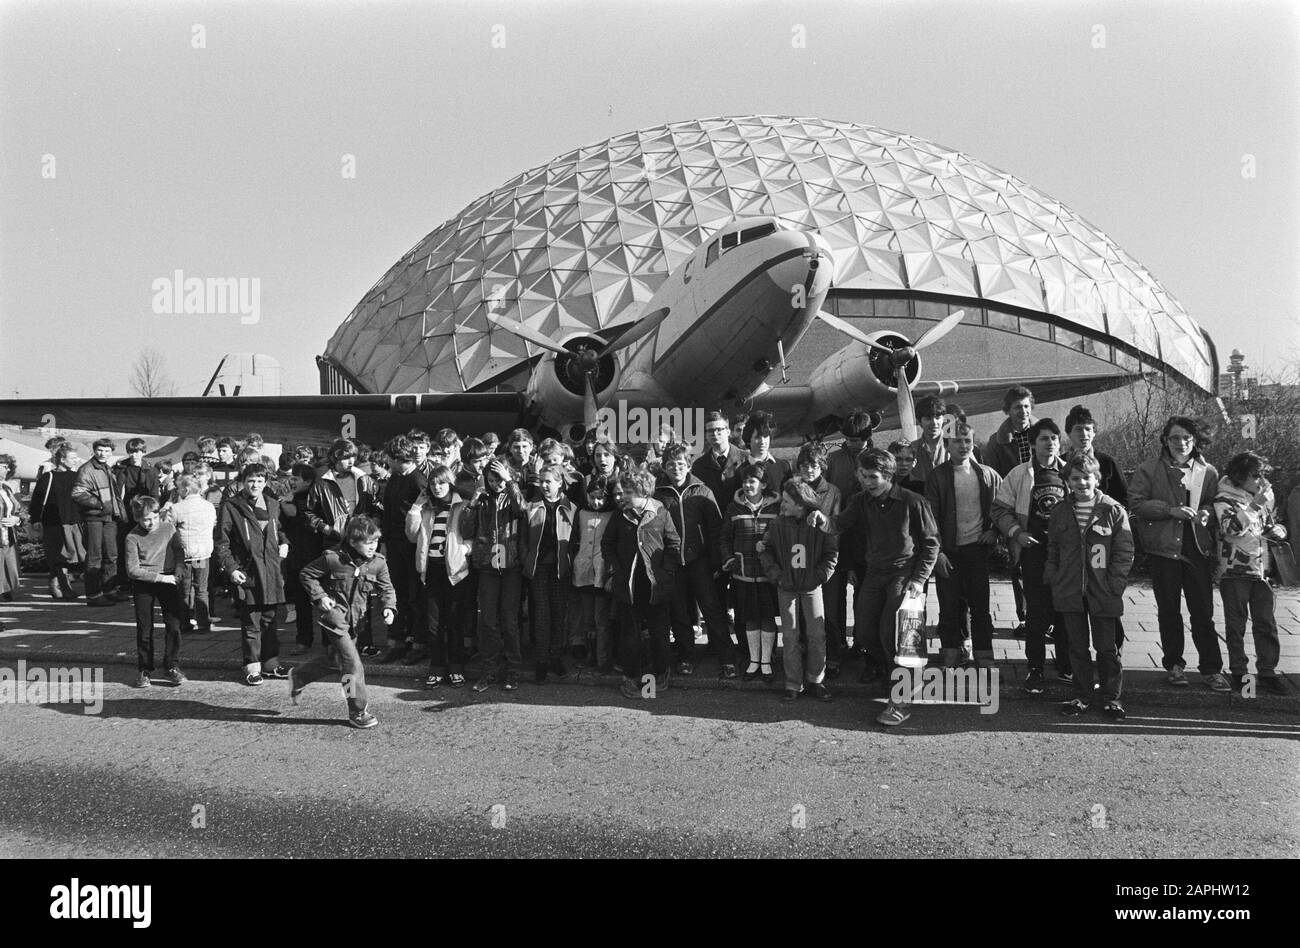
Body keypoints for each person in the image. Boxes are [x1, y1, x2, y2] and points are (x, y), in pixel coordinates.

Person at [813, 448, 939, 727]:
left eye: (873, 477)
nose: (867, 481)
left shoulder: (913, 502)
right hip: (873, 574)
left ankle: (901, 700)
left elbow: (931, 544)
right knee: (866, 633)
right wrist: (823, 521)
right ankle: (898, 677)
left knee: (893, 636)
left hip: (903, 575)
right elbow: (839, 524)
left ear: (889, 476)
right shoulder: (861, 501)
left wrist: (918, 581)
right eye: (863, 475)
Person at [1129, 416, 1228, 691]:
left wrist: (1207, 512)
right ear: (1165, 440)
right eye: (1175, 438)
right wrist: (1169, 511)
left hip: (1197, 549)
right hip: (1163, 550)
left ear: (1194, 440)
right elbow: (1136, 503)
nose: (1181, 443)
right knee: (1169, 611)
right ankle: (1174, 665)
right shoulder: (1149, 469)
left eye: (1186, 438)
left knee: (1203, 612)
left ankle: (1211, 669)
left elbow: (1213, 502)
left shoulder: (1208, 471)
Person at [1043, 455, 1134, 720]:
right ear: (1067, 482)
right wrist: (1054, 575)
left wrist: (1115, 583)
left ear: (1097, 478)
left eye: (1086, 477)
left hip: (1103, 590)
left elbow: (1124, 550)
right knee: (1077, 647)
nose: (1082, 483)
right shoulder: (1060, 511)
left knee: (1107, 648)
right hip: (1070, 589)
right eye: (1075, 478)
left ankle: (1111, 698)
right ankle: (1081, 695)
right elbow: (1054, 548)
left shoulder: (1113, 510)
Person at [992, 418, 1072, 694]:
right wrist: (1017, 533)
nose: (1049, 443)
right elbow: (999, 510)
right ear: (1033, 443)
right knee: (1036, 614)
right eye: (1043, 438)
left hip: (1065, 555)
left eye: (1053, 438)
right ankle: (1035, 669)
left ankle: (1065, 666)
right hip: (1033, 552)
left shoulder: (1071, 471)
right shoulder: (1018, 474)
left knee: (1064, 611)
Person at [295, 516, 396, 729]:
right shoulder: (333, 559)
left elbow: (387, 588)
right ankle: (357, 711)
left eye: (375, 542)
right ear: (352, 542)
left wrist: (389, 607)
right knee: (352, 665)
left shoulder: (378, 562)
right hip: (334, 619)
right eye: (367, 542)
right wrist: (320, 596)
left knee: (336, 661)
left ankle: (300, 676)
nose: (372, 546)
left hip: (357, 622)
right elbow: (307, 574)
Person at [654, 442, 737, 678]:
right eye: (671, 465)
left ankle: (727, 658)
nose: (676, 468)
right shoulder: (659, 494)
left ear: (688, 465)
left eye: (680, 464)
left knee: (713, 610)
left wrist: (715, 563)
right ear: (664, 468)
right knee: (680, 612)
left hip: (699, 561)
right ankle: (686, 656)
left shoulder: (702, 490)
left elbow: (715, 529)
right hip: (673, 563)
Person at [924, 421, 1002, 670]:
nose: (963, 445)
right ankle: (950, 653)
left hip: (977, 551)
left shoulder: (987, 474)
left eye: (967, 440)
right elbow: (930, 519)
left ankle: (984, 656)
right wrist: (938, 553)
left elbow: (1002, 509)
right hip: (949, 552)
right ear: (947, 445)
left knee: (981, 607)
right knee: (949, 606)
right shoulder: (937, 476)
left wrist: (994, 531)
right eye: (957, 441)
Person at [1213, 452, 1289, 695]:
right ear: (1240, 476)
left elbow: (1269, 525)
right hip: (1235, 571)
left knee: (1266, 622)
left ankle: (1267, 671)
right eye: (1256, 475)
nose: (1261, 480)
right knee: (1236, 624)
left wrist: (1279, 530)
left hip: (1261, 570)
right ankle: (1239, 671)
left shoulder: (1261, 498)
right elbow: (1230, 528)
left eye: (1264, 475)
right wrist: (1255, 505)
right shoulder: (1224, 499)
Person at [602, 467, 681, 699]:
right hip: (629, 586)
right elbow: (607, 545)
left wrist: (666, 571)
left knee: (659, 632)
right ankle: (631, 677)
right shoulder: (619, 515)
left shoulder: (660, 512)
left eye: (627, 491)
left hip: (656, 585)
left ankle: (660, 673)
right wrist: (616, 568)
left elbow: (673, 543)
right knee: (630, 634)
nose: (622, 496)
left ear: (642, 491)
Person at [760, 479, 838, 702]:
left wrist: (820, 576)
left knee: (816, 635)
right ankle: (793, 683)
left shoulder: (819, 524)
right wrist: (777, 576)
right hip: (787, 588)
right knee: (790, 636)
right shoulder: (776, 525)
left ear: (801, 504)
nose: (782, 505)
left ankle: (816, 680)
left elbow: (831, 553)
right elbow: (766, 551)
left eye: (786, 501)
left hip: (811, 588)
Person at [215, 463, 292, 686]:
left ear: (265, 482)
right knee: (252, 621)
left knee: (270, 619)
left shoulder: (272, 503)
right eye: (251, 480)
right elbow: (222, 542)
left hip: (271, 570)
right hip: (248, 571)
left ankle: (270, 664)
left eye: (259, 481)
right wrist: (231, 568)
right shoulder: (231, 506)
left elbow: (280, 531)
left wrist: (285, 544)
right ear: (243, 481)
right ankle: (252, 666)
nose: (255, 485)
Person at [462, 457, 526, 692]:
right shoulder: (483, 499)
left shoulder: (513, 495)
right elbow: (466, 529)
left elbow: (522, 511)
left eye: (500, 480)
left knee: (509, 620)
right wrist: (472, 503)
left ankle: (513, 670)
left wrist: (510, 483)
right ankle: (489, 669)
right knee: (487, 620)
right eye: (492, 480)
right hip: (488, 567)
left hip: (511, 567)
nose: (496, 484)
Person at [407, 466, 472, 688]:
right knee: (434, 622)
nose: (436, 487)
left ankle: (456, 666)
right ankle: (436, 666)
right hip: (432, 569)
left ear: (450, 483)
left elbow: (474, 533)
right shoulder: (426, 508)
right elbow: (411, 535)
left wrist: (465, 549)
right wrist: (416, 507)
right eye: (433, 484)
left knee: (455, 621)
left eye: (441, 483)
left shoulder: (462, 505)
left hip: (455, 570)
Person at [823, 411, 875, 674]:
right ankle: (836, 646)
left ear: (868, 437)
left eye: (858, 440)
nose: (853, 443)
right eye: (849, 439)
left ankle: (862, 645)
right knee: (833, 597)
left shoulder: (877, 459)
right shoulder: (834, 459)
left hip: (866, 540)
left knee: (864, 598)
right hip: (838, 537)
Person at [720, 462, 781, 682]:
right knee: (749, 618)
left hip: (768, 576)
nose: (747, 485)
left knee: (767, 617)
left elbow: (783, 539)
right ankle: (754, 660)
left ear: (763, 484)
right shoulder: (733, 508)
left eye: (752, 481)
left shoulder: (777, 507)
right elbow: (725, 538)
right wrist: (728, 559)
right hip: (743, 575)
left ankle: (766, 661)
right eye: (745, 481)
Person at [986, 385, 1037, 631]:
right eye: (1017, 407)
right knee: (1019, 564)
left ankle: (1045, 617)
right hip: (1014, 511)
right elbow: (994, 482)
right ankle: (1026, 618)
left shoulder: (1041, 433)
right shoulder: (997, 443)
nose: (1023, 411)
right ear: (1008, 410)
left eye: (1027, 406)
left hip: (1040, 507)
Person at [124, 495, 187, 688]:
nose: (150, 523)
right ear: (137, 518)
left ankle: (172, 665)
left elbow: (178, 551)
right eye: (145, 519)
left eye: (153, 518)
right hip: (146, 582)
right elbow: (132, 570)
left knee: (173, 624)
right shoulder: (132, 537)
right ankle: (144, 669)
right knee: (145, 627)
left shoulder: (168, 528)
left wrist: (178, 569)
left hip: (168, 578)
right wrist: (160, 578)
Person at [522, 464, 577, 682]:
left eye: (549, 481)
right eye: (542, 481)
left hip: (560, 568)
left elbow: (574, 539)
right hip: (538, 568)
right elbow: (524, 537)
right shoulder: (532, 506)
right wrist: (527, 559)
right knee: (542, 615)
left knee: (558, 614)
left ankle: (556, 657)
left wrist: (570, 560)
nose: (544, 485)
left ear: (560, 483)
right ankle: (542, 660)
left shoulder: (571, 507)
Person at [378, 435, 426, 664]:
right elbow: (387, 513)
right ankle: (396, 642)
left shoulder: (418, 480)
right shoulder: (395, 478)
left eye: (389, 457)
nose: (387, 461)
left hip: (413, 547)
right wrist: (385, 543)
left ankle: (418, 643)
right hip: (394, 545)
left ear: (398, 457)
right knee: (396, 593)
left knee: (416, 595)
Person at [570, 451, 617, 672]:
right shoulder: (580, 513)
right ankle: (590, 655)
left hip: (602, 572)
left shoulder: (612, 515)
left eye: (601, 497)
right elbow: (574, 540)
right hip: (583, 570)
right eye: (592, 497)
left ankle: (604, 659)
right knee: (587, 618)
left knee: (602, 620)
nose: (597, 502)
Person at [72, 438, 129, 606]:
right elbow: (78, 493)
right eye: (100, 450)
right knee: (94, 557)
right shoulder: (87, 469)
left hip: (109, 518)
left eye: (106, 451)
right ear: (94, 451)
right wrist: (98, 504)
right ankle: (93, 595)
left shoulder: (107, 468)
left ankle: (110, 590)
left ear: (111, 452)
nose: (103, 453)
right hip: (94, 518)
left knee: (111, 555)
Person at [28, 443, 85, 600]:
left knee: (67, 556)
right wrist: (35, 519)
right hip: (53, 522)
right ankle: (64, 587)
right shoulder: (48, 477)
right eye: (72, 458)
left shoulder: (77, 476)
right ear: (62, 459)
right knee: (58, 556)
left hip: (72, 522)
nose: (76, 461)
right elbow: (37, 500)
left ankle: (55, 586)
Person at [167, 473, 218, 635]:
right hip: (202, 554)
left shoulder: (177, 508)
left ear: (187, 489)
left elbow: (168, 528)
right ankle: (204, 622)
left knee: (184, 589)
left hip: (185, 555)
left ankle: (184, 622)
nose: (178, 491)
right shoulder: (208, 506)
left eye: (179, 488)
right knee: (202, 588)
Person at [280, 463, 323, 653]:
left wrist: (286, 503)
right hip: (296, 555)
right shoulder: (290, 497)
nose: (292, 482)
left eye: (296, 479)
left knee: (323, 601)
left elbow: (298, 515)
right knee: (301, 601)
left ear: (308, 481)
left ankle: (329, 643)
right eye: (292, 478)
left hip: (316, 554)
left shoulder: (315, 498)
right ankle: (303, 640)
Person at [113, 438, 161, 593]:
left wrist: (152, 515)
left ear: (143, 452)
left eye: (138, 451)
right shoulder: (120, 468)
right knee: (124, 546)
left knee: (145, 546)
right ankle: (124, 580)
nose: (134, 455)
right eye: (131, 451)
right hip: (126, 512)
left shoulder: (150, 470)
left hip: (144, 512)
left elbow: (154, 495)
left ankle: (145, 577)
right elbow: (116, 493)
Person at [742, 411, 791, 496]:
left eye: (765, 437)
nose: (762, 442)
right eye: (757, 437)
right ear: (748, 439)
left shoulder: (784, 466)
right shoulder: (740, 470)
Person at [910, 396, 949, 484]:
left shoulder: (956, 445)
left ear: (943, 419)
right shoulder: (912, 449)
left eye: (938, 418)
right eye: (928, 419)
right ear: (919, 422)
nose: (934, 423)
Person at [0, 455, 22, 600]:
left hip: (7, 535)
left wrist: (16, 519)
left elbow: (18, 509)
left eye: (7, 467)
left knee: (8, 567)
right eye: (2, 466)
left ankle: (5, 591)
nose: (5, 469)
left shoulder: (6, 488)